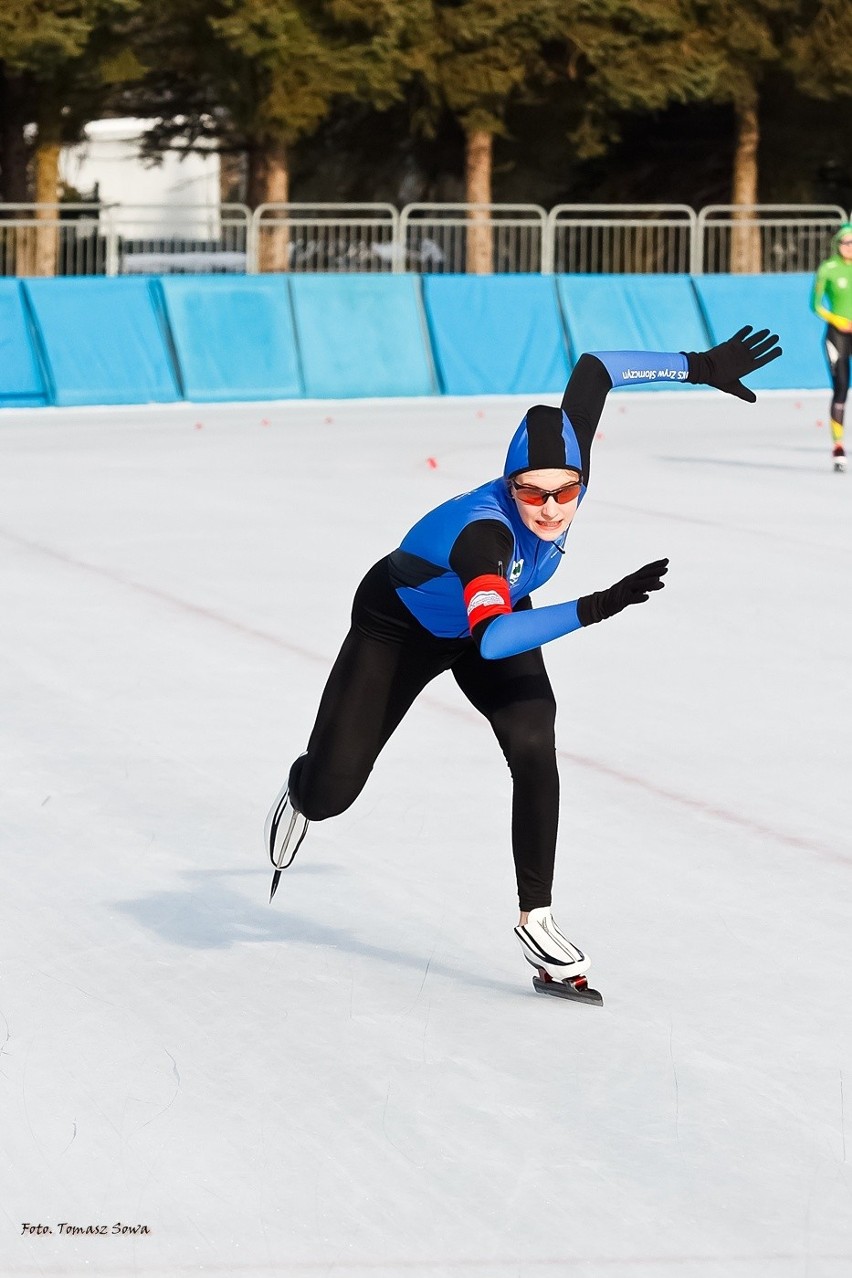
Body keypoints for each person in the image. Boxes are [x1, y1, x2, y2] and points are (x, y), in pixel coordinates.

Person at [265, 325, 782, 996]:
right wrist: (591, 607)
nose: (549, 508)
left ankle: (536, 919)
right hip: (401, 628)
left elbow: (597, 371)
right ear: (510, 486)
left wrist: (700, 366)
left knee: (536, 737)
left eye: (564, 492)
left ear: (579, 476)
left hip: (496, 613)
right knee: (332, 794)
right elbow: (492, 639)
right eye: (531, 493)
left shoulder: (569, 470)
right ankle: (303, 788)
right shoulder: (485, 535)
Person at [811, 222, 852, 473]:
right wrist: (837, 320)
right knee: (841, 388)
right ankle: (838, 446)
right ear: (838, 245)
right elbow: (815, 305)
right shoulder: (828, 269)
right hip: (838, 336)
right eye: (846, 243)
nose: (850, 247)